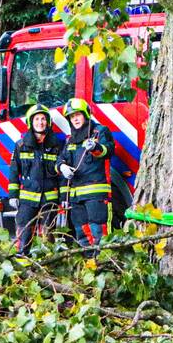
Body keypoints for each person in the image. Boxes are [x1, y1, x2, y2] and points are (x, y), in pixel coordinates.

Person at [56, 98, 115, 254]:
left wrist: (96, 146)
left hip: (96, 195)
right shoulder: (70, 140)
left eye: (77, 115)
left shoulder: (100, 132)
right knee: (82, 233)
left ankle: (105, 264)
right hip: (76, 198)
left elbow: (108, 150)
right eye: (71, 116)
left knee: (99, 232)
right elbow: (60, 159)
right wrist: (61, 166)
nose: (75, 119)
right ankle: (90, 264)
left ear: (85, 115)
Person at [8, 104, 64, 255]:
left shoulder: (57, 146)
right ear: (31, 123)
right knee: (24, 231)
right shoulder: (21, 146)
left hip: (49, 198)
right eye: (37, 119)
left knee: (48, 234)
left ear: (48, 122)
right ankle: (22, 259)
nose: (40, 122)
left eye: (43, 119)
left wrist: (64, 197)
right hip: (27, 199)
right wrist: (13, 195)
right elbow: (14, 172)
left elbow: (62, 175)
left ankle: (48, 262)